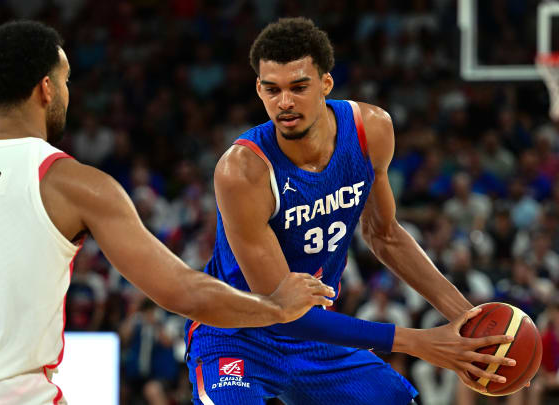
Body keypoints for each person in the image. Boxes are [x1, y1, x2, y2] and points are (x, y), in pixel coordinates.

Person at [0, 21, 335, 405]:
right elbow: (183, 291)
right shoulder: (70, 182)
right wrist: (274, 307)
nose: (69, 92)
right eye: (66, 81)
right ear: (46, 89)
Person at [184, 17, 516, 405]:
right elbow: (283, 308)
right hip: (237, 334)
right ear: (259, 89)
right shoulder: (242, 171)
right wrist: (416, 342)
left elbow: (385, 235)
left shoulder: (370, 129)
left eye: (298, 87)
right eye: (272, 90)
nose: (284, 102)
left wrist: (468, 320)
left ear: (326, 83)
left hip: (317, 334)